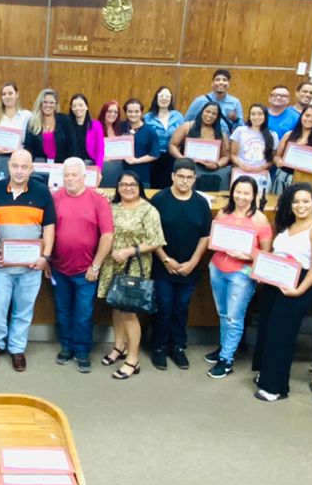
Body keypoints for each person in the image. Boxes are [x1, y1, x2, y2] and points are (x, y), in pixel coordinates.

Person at [253, 183, 312, 402]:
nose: (300, 205)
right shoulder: (287, 224)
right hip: (275, 283)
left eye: (305, 201)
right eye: (296, 201)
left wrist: (299, 290)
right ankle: (268, 374)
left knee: (282, 335)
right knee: (269, 330)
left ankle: (276, 388)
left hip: (298, 285)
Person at [0, 149, 55, 372]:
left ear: (32, 168)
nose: (19, 171)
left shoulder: (42, 192)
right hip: (2, 264)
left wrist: (46, 257)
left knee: (24, 309)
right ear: (8, 166)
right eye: (15, 166)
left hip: (31, 265)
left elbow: (49, 228)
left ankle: (17, 348)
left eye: (24, 167)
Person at [206, 176, 274, 380]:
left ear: (254, 195)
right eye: (238, 191)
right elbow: (213, 238)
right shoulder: (223, 213)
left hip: (242, 273)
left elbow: (266, 254)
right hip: (217, 268)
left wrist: (248, 256)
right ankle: (224, 347)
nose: (241, 196)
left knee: (234, 317)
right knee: (223, 312)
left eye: (246, 193)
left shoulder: (259, 219)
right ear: (232, 192)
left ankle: (226, 360)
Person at [98, 171, 165, 381]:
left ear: (140, 187)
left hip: (134, 265)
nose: (128, 188)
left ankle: (133, 359)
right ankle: (119, 346)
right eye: (123, 184)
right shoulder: (112, 207)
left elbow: (156, 241)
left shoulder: (148, 210)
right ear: (117, 187)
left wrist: (129, 251)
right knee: (116, 305)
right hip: (112, 264)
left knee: (129, 312)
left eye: (133, 184)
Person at [50, 157, 113, 373]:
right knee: (63, 310)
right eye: (66, 175)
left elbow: (107, 235)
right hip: (59, 268)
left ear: (84, 176)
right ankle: (67, 347)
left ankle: (82, 351)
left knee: (84, 313)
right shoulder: (55, 198)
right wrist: (47, 258)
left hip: (87, 271)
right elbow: (46, 232)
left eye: (74, 175)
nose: (69, 179)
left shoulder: (98, 199)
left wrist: (95, 266)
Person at [149, 157, 213, 370]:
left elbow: (205, 236)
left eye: (189, 178)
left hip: (190, 267)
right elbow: (152, 234)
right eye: (181, 177)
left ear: (194, 179)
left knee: (181, 308)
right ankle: (158, 346)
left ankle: (178, 346)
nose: (185, 182)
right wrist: (166, 259)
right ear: (172, 177)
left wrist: (193, 262)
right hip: (163, 265)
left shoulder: (201, 203)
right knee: (164, 307)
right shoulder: (159, 199)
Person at [168, 100, 230, 191]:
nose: (209, 115)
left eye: (214, 114)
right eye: (207, 111)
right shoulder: (187, 127)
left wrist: (217, 165)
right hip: (188, 168)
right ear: (202, 112)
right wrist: (183, 159)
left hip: (210, 171)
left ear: (217, 117)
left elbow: (225, 157)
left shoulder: (221, 135)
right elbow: (172, 145)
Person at [0, 81, 30, 182]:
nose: (7, 97)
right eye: (4, 94)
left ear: (17, 94)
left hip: (18, 163)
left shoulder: (26, 116)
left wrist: (18, 150)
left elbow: (30, 141)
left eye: (10, 93)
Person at [110, 98, 162, 188]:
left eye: (136, 111)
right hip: (119, 175)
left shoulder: (150, 131)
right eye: (130, 111)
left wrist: (136, 161)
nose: (133, 114)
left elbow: (154, 154)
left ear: (141, 112)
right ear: (125, 112)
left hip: (141, 177)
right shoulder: (119, 127)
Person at [230, 102, 277, 195]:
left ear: (265, 116)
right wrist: (243, 165)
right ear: (249, 116)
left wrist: (260, 168)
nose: (256, 117)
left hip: (261, 175)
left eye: (260, 114)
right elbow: (232, 154)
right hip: (241, 172)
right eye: (253, 114)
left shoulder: (272, 135)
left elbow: (272, 159)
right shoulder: (240, 131)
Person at [145, 86, 185, 190]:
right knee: (153, 187)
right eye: (161, 96)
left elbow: (184, 136)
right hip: (153, 157)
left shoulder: (178, 116)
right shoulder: (148, 117)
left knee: (169, 186)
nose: (164, 98)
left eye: (167, 96)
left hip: (172, 157)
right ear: (156, 98)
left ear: (171, 99)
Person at [25, 88, 75, 163]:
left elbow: (73, 146)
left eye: (52, 102)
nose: (48, 105)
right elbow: (28, 149)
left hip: (61, 167)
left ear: (56, 105)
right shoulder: (32, 123)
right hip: (39, 167)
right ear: (40, 104)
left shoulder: (65, 121)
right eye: (45, 102)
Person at [65, 94, 101, 169]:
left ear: (87, 107)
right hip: (70, 165)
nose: (77, 108)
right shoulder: (67, 125)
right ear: (71, 108)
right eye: (74, 106)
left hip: (89, 164)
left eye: (81, 105)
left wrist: (98, 169)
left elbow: (99, 149)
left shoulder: (95, 125)